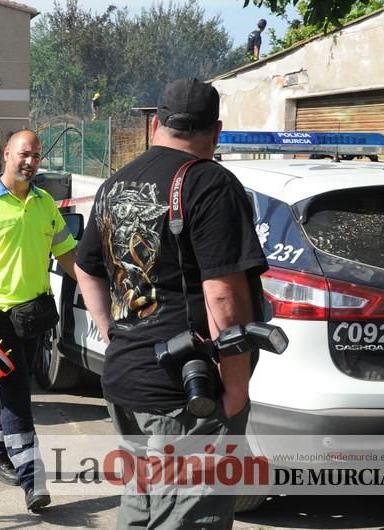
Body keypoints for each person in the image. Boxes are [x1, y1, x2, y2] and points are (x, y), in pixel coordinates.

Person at [74, 78, 268, 528]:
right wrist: (235, 389)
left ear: (156, 123)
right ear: (215, 131)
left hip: (126, 378)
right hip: (186, 395)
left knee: (141, 510)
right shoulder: (210, 183)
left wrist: (110, 330)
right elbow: (223, 295)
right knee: (187, 517)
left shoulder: (114, 184)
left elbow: (86, 267)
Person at [0, 130, 77, 512]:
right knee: (19, 395)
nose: (30, 162)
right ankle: (32, 479)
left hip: (35, 314)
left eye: (37, 155)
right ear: (6, 153)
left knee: (7, 387)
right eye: (24, 154)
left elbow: (68, 255)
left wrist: (99, 286)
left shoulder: (44, 203)